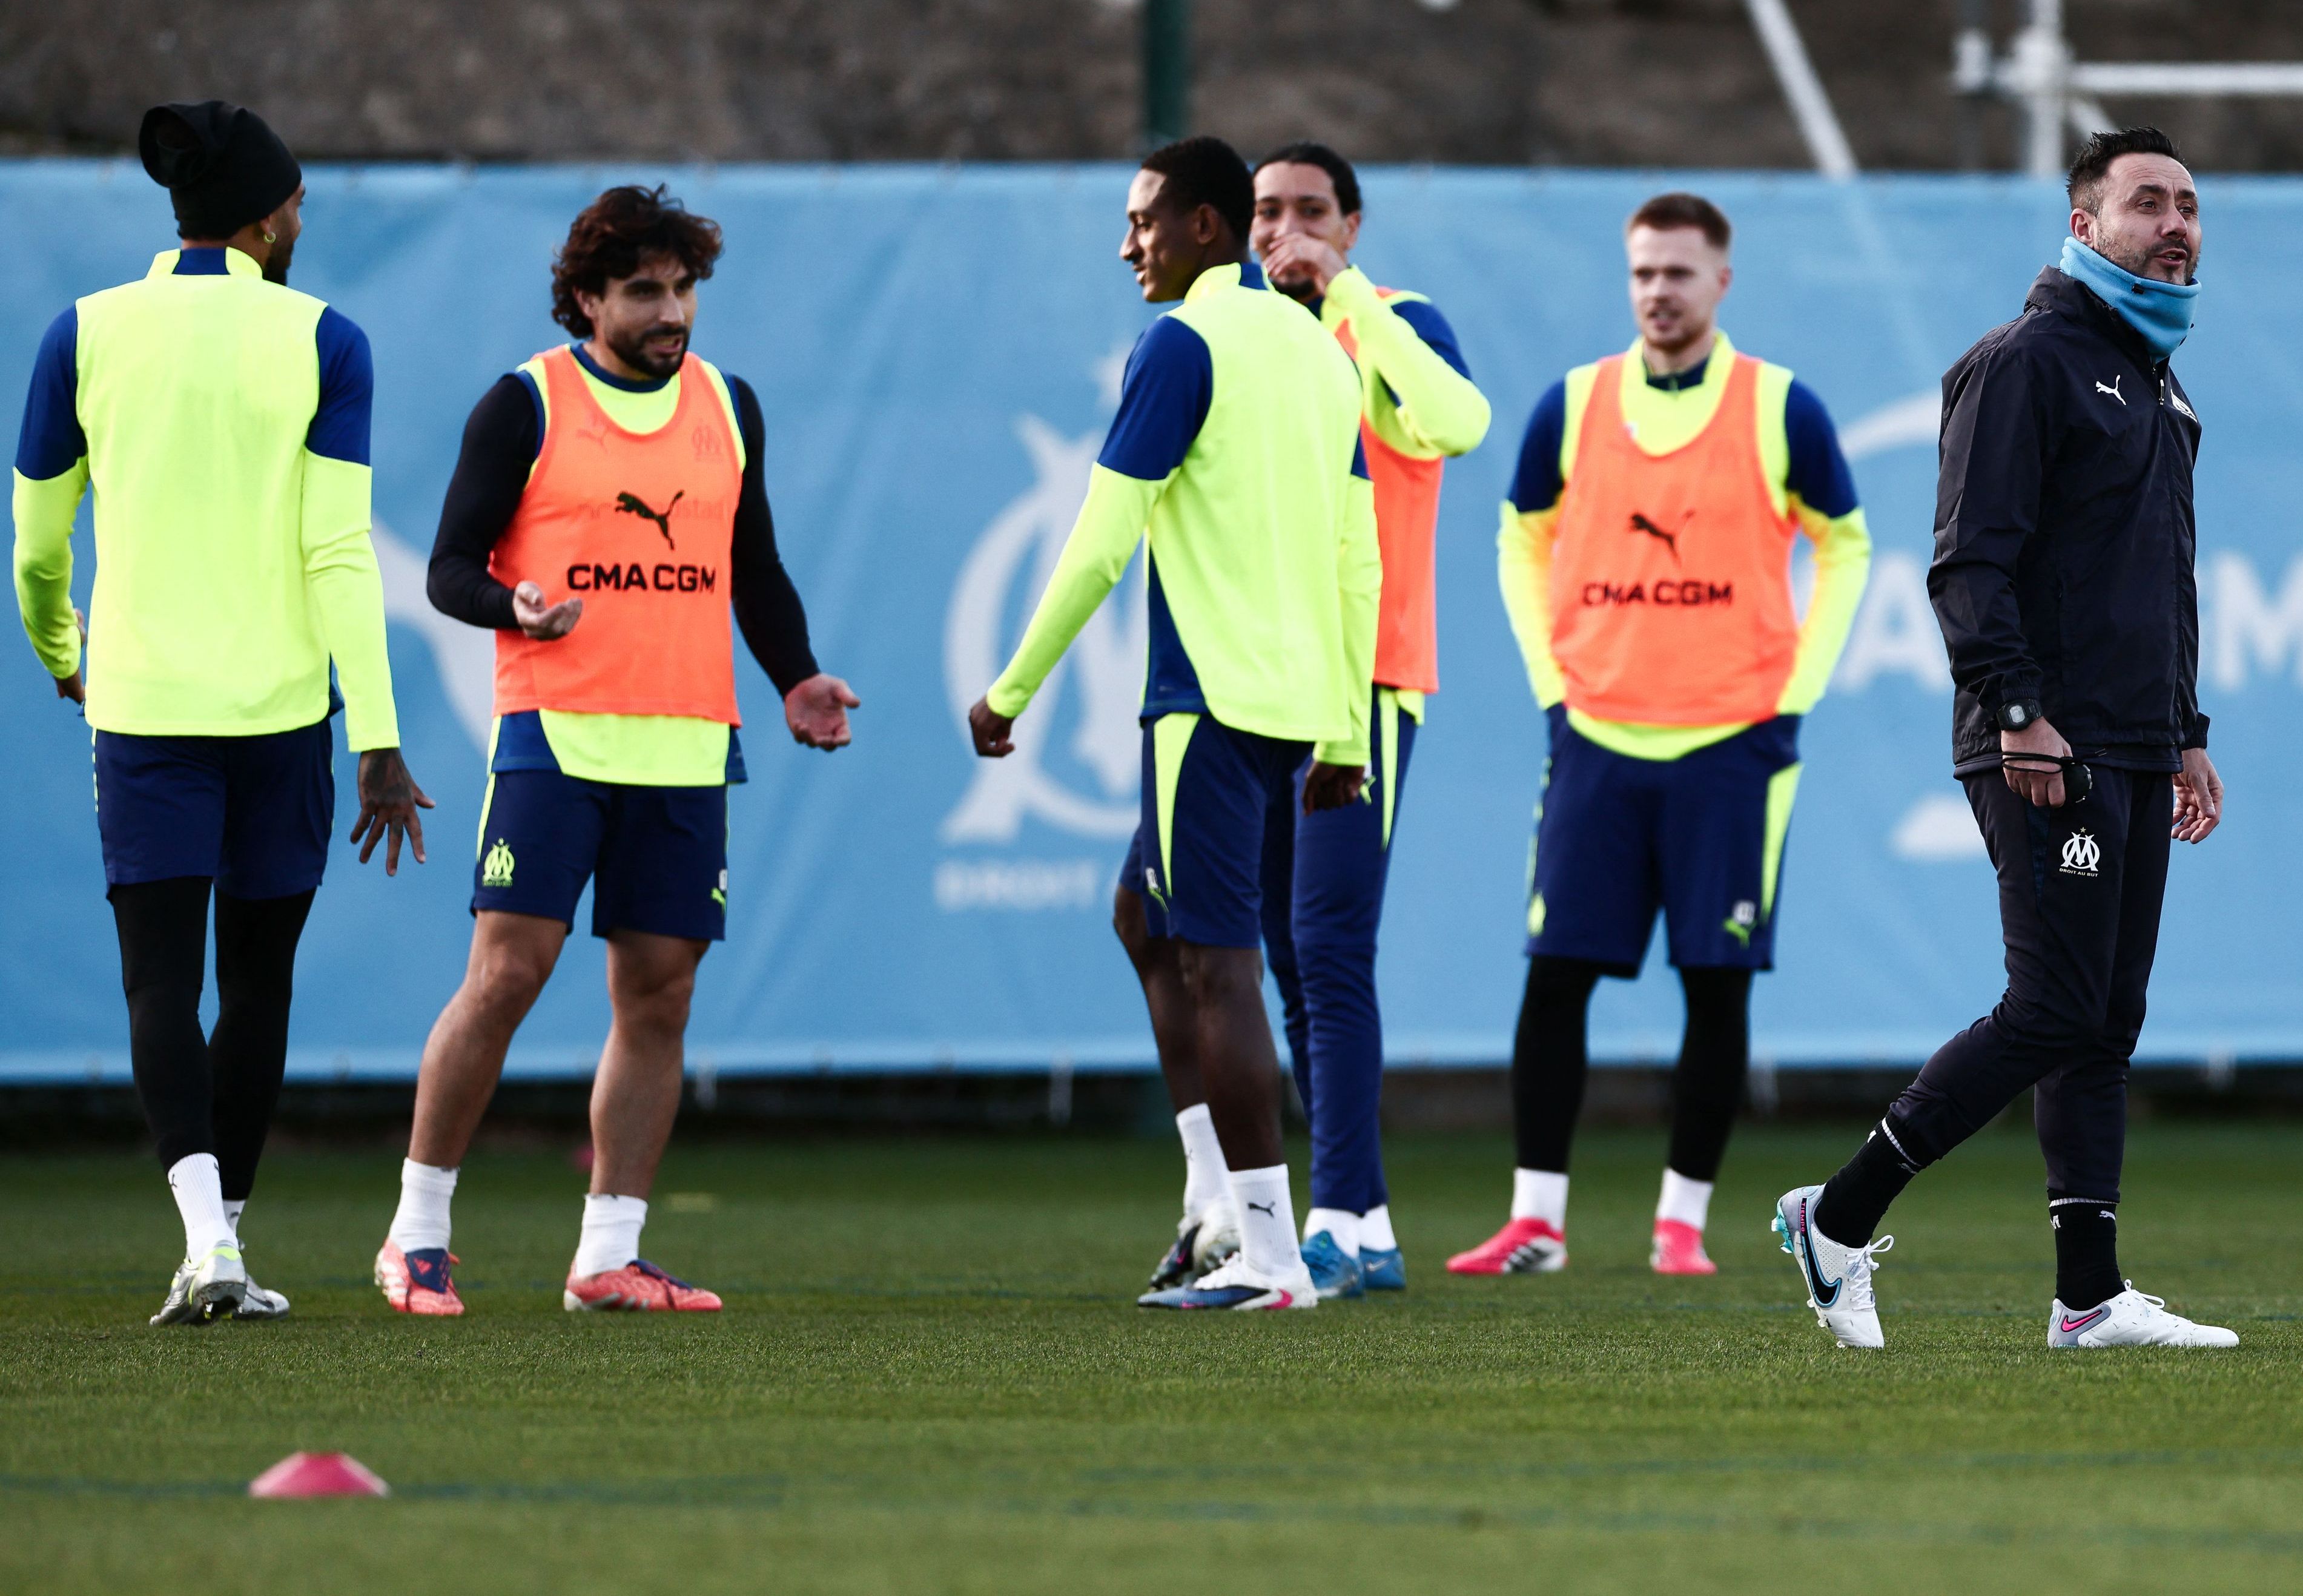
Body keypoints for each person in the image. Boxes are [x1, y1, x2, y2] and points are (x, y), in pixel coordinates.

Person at [1770, 127, 2232, 1351]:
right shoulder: (2023, 362)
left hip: (2134, 744)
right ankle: (1837, 1215)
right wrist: (2020, 713)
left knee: (2103, 1020)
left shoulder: (2157, 378)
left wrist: (2184, 730)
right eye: (2148, 204)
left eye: (2189, 205)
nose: (2176, 223)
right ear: (2086, 229)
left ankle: (2088, 1299)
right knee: (2051, 1007)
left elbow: (2160, 581)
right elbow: (1969, 565)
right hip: (2046, 747)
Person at [375, 186, 859, 1316]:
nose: (671, 309)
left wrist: (797, 677)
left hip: (689, 745)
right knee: (507, 978)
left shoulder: (729, 407)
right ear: (587, 298)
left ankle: (609, 1254)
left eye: (683, 287)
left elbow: (758, 566)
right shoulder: (526, 403)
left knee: (660, 996)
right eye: (644, 289)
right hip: (555, 737)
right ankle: (416, 1234)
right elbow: (449, 567)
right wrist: (514, 604)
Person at [12, 101, 427, 1325]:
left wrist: (59, 653)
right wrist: (380, 743)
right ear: (264, 220)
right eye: (295, 203)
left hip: (140, 711)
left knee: (157, 984)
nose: (302, 220)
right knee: (258, 988)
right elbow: (341, 553)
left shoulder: (80, 333)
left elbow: (37, 544)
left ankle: (205, 1246)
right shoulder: (326, 341)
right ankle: (227, 1241)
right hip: (286, 716)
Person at [973, 136, 1375, 1312]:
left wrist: (1011, 689)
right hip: (1294, 708)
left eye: (1144, 219)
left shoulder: (1182, 340)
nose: (1126, 243)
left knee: (1218, 965)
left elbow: (1102, 539)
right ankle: (1214, 1201)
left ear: (1206, 225)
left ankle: (1270, 1256)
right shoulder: (1316, 353)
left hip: (1205, 701)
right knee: (1143, 920)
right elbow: (1360, 561)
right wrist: (1344, 733)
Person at [1447, 191, 1870, 1279]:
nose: (1659, 291)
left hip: (1732, 745)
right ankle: (1535, 1221)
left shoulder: (1779, 405)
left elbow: (1849, 545)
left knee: (1714, 985)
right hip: (1595, 735)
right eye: (1642, 272)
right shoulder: (1575, 404)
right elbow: (1516, 536)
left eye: (1679, 272)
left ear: (1721, 281)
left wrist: (1793, 693)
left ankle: (1680, 1225)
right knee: (1556, 979)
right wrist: (1554, 683)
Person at [1198, 140, 1491, 1299]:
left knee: (1327, 944)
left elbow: (1457, 422)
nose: (1287, 232)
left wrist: (1351, 299)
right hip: (1250, 681)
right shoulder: (1231, 333)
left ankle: (1340, 1213)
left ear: (1354, 227)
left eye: (1312, 212)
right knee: (1273, 948)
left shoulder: (1396, 319)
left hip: (1364, 679)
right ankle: (1356, 1219)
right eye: (1267, 212)